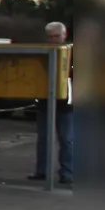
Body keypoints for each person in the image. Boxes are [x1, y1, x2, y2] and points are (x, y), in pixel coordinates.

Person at [29, 21, 73, 185]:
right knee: (43, 138)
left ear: (64, 35)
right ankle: (42, 171)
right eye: (51, 37)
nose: (54, 40)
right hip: (44, 101)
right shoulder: (42, 53)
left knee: (67, 139)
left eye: (57, 36)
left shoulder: (71, 53)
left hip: (66, 103)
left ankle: (67, 173)